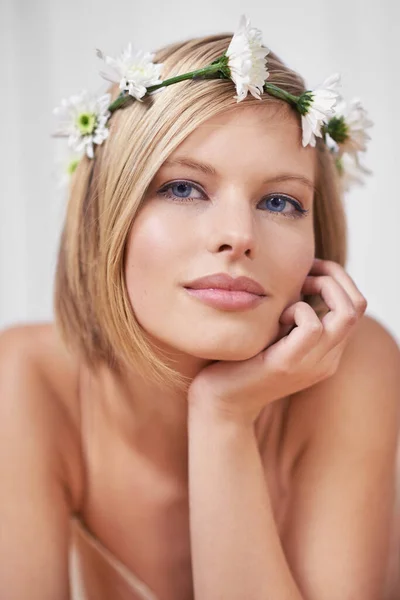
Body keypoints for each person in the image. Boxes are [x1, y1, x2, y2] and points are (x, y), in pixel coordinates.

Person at [1, 16, 399, 600]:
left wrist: (222, 416)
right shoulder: (26, 381)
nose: (238, 234)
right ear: (106, 217)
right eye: (183, 188)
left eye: (281, 200)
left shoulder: (356, 365)